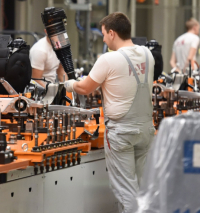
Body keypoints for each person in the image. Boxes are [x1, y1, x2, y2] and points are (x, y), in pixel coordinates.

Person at [64, 12, 155, 213]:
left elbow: (85, 88)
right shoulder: (148, 54)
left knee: (126, 191)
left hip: (122, 133)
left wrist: (68, 84)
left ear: (112, 33)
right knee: (143, 187)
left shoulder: (109, 59)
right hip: (146, 130)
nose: (104, 39)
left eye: (104, 34)